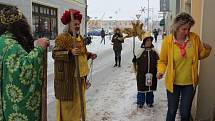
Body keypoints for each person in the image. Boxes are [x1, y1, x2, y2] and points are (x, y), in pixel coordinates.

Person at [157, 12, 212, 121]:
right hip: (173, 82)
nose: (187, 32)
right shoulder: (167, 41)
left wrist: (207, 50)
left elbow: (199, 55)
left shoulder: (194, 38)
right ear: (177, 27)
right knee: (172, 110)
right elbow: (163, 61)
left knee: (185, 112)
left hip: (190, 82)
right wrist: (161, 71)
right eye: (184, 29)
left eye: (189, 29)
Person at [0, 6, 49, 121]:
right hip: (11, 110)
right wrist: (39, 49)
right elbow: (26, 73)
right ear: (21, 26)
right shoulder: (12, 47)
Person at [52, 9, 97, 121]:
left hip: (80, 78)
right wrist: (69, 52)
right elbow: (55, 54)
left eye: (78, 24)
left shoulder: (79, 38)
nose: (77, 26)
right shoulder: (62, 38)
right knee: (69, 109)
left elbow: (81, 54)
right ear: (69, 25)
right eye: (75, 24)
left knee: (79, 107)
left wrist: (89, 55)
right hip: (68, 80)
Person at [132, 32, 159, 108]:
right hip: (141, 74)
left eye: (150, 41)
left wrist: (158, 70)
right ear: (144, 42)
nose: (149, 42)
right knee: (141, 89)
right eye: (147, 41)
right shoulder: (140, 52)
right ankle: (140, 102)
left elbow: (159, 62)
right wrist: (135, 68)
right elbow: (134, 62)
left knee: (150, 89)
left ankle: (150, 102)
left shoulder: (154, 52)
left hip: (152, 74)